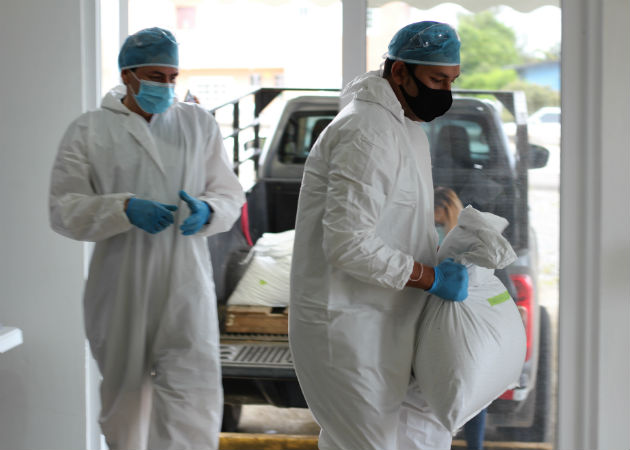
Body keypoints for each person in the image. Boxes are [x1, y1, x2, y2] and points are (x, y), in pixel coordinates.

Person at [49, 27, 245, 450]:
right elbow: (63, 209)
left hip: (185, 281)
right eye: (157, 75)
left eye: (173, 76)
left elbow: (228, 192)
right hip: (121, 284)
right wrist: (121, 208)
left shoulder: (198, 124)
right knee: (124, 401)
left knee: (194, 393)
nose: (167, 85)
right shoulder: (89, 130)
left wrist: (209, 211)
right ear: (128, 74)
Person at [289, 21, 468, 450]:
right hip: (347, 326)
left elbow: (396, 221)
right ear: (400, 72)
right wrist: (430, 276)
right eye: (436, 80)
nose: (445, 92)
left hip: (385, 321)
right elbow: (348, 243)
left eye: (452, 81)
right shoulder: (365, 131)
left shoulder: (405, 128)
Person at [434, 186, 487, 450]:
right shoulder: (472, 237)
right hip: (470, 325)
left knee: (457, 388)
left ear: (443, 208)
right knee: (471, 391)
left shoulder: (453, 240)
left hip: (457, 323)